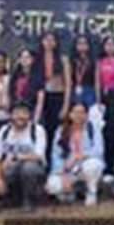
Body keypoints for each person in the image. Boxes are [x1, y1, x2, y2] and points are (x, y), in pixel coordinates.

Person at [0, 102, 47, 210]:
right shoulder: (4, 130)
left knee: (29, 168)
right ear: (11, 115)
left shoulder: (37, 130)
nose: (20, 116)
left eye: (24, 113)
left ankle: (28, 199)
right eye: (17, 113)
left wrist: (15, 157)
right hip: (10, 168)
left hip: (32, 168)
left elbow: (39, 155)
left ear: (29, 115)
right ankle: (10, 198)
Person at [46, 102, 106, 206]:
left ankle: (91, 193)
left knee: (93, 165)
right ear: (70, 114)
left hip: (85, 167)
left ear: (87, 115)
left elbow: (98, 151)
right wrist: (63, 175)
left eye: (82, 112)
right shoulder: (61, 131)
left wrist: (78, 156)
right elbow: (56, 155)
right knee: (52, 186)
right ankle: (72, 193)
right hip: (69, 170)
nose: (79, 115)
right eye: (76, 112)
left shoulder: (93, 128)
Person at [33, 31, 69, 160]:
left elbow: (68, 85)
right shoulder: (36, 59)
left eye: (52, 40)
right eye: (46, 39)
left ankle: (53, 162)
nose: (49, 42)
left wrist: (65, 106)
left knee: (54, 131)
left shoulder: (63, 59)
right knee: (40, 130)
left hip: (57, 96)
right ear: (42, 42)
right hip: (40, 97)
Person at [98, 35, 114, 179]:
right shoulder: (100, 62)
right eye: (107, 44)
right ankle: (106, 166)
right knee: (105, 133)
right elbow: (97, 82)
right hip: (104, 98)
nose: (110, 47)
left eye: (113, 44)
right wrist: (98, 101)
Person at [65, 35, 98, 116]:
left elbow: (97, 83)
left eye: (84, 43)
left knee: (89, 116)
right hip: (74, 91)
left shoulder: (93, 61)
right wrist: (66, 103)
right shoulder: (70, 60)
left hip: (89, 92)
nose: (82, 46)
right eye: (79, 43)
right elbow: (68, 83)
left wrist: (98, 100)